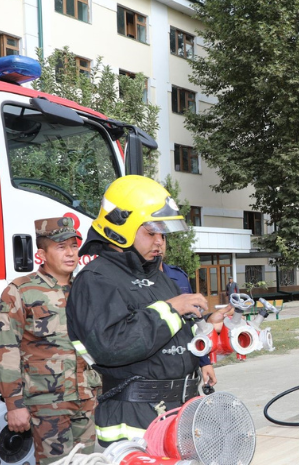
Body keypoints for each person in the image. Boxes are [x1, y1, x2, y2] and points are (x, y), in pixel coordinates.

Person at [66, 175, 234, 447]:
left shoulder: (159, 277)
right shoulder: (96, 279)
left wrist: (205, 325)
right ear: (120, 228)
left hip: (177, 409)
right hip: (134, 419)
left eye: (163, 234)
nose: (160, 241)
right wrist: (172, 308)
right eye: (151, 231)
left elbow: (169, 335)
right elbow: (112, 345)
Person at [0, 217, 98, 465]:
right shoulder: (20, 291)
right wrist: (14, 405)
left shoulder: (85, 289)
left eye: (74, 246)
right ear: (41, 254)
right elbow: (6, 350)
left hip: (86, 399)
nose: (71, 253)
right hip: (48, 403)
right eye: (61, 247)